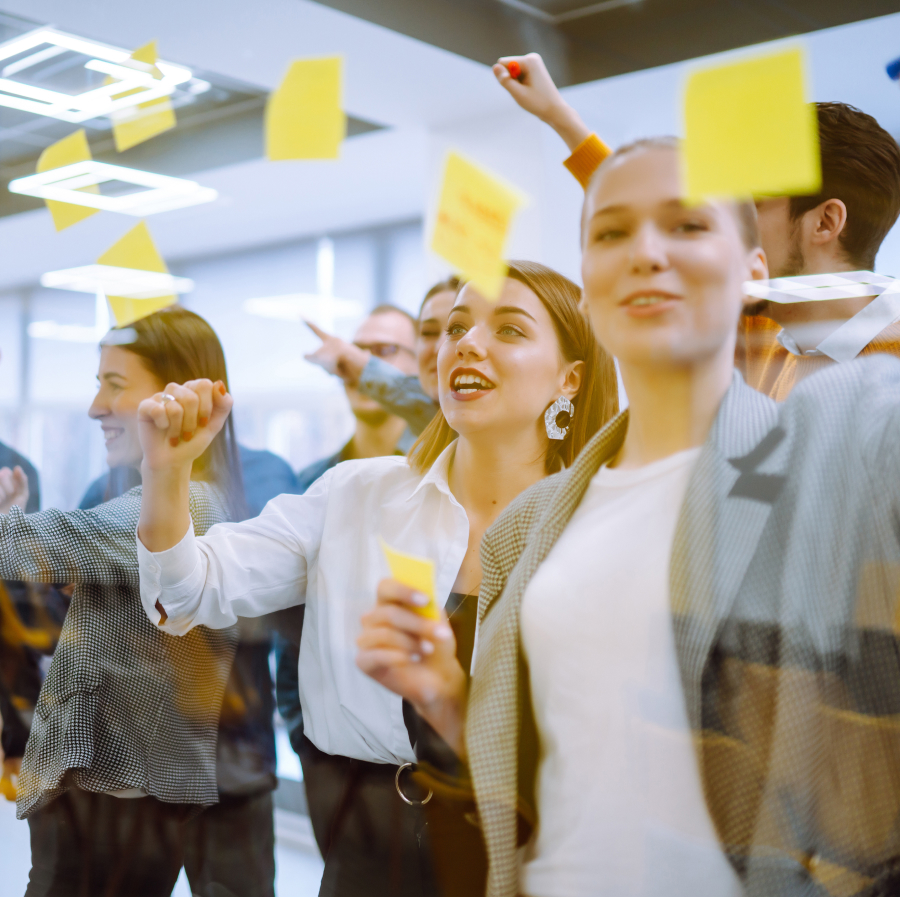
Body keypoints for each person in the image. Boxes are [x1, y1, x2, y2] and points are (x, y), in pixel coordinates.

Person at [362, 137, 900, 896]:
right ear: (588, 287)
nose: (645, 251)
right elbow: (557, 768)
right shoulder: (535, 522)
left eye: (686, 226)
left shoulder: (835, 450)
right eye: (611, 232)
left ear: (755, 275)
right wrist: (451, 700)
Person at [133, 261, 619, 896]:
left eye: (509, 330)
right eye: (456, 327)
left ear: (570, 378)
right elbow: (187, 591)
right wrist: (166, 474)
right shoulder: (356, 494)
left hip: (522, 849)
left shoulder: (601, 528)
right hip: (363, 846)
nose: (466, 343)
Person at [0, 307, 245, 897]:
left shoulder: (191, 505)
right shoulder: (169, 503)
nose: (95, 408)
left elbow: (42, 544)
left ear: (179, 394)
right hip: (104, 795)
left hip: (117, 800)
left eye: (114, 385)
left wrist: (17, 526)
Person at [493, 53, 900, 399]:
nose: (723, 229)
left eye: (749, 204)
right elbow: (639, 205)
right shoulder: (755, 334)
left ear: (826, 222)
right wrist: (559, 116)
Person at [79, 448, 297, 896]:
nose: (98, 406)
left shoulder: (262, 477)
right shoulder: (105, 490)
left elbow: (281, 610)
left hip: (231, 767)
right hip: (135, 769)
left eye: (116, 384)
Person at [274, 299, 445, 866]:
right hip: (333, 766)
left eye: (383, 352)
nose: (364, 365)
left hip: (432, 762)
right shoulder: (310, 484)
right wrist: (308, 748)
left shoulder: (450, 479)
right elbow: (290, 637)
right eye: (359, 350)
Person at [303, 279, 460, 438]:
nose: (354, 360)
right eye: (356, 349)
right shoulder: (331, 464)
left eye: (384, 350)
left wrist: (362, 366)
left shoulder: (461, 441)